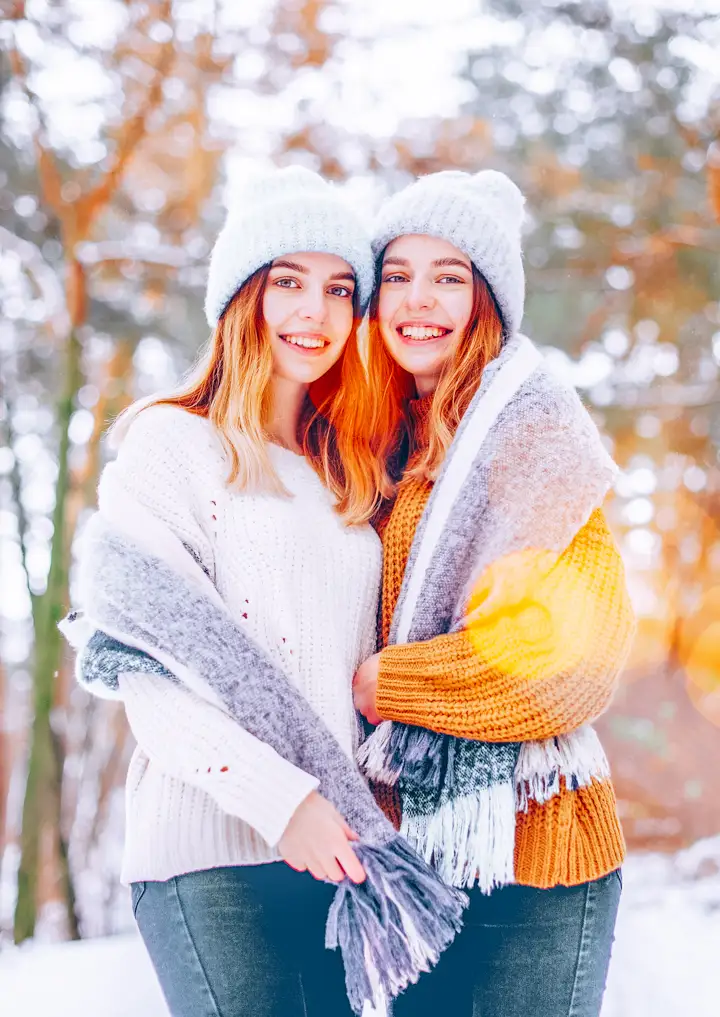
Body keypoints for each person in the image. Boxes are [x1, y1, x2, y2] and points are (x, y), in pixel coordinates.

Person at [77, 165, 382, 1017]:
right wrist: (282, 803)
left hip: (338, 849)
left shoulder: (348, 480)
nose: (311, 312)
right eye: (287, 281)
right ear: (241, 297)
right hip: (210, 855)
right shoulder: (171, 444)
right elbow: (150, 674)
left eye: (335, 288)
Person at [353, 169, 636, 1017]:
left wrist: (386, 684)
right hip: (402, 854)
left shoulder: (530, 429)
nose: (419, 298)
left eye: (450, 276)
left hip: (536, 856)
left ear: (488, 301)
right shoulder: (374, 446)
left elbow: (576, 662)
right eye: (397, 274)